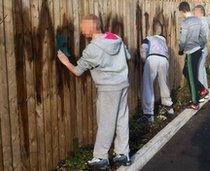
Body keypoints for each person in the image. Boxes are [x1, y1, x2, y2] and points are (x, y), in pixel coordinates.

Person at [57, 14, 131, 170]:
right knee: (121, 119)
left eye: (83, 27)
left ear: (91, 27)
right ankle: (123, 154)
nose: (82, 30)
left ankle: (101, 157)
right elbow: (128, 56)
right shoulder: (115, 38)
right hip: (123, 83)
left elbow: (77, 71)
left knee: (106, 122)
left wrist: (65, 61)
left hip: (107, 88)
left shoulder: (92, 49)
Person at [139, 23, 175, 123]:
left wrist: (144, 61)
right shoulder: (164, 42)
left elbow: (143, 50)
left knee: (148, 86)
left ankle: (149, 114)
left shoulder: (148, 38)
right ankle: (169, 107)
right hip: (164, 60)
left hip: (152, 58)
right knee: (164, 84)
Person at [178, 2, 207, 110]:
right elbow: (203, 36)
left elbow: (183, 40)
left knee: (191, 77)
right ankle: (202, 89)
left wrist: (181, 50)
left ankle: (195, 102)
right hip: (198, 50)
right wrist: (200, 45)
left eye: (180, 12)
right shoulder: (198, 20)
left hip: (191, 52)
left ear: (182, 11)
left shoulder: (185, 23)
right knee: (186, 72)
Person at [193, 4, 210, 101]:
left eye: (195, 12)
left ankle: (201, 94)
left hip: (200, 49)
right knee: (202, 70)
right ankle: (206, 91)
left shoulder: (202, 22)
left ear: (201, 12)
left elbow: (203, 38)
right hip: (203, 49)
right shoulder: (204, 21)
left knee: (198, 71)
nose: (194, 14)